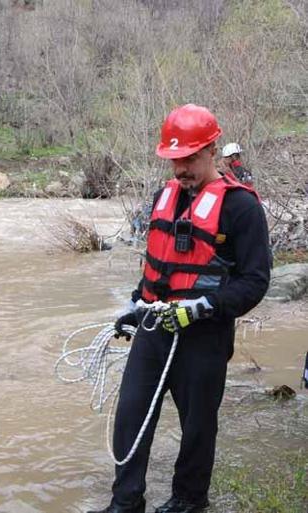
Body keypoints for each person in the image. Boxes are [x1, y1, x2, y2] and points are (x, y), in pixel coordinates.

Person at [89, 105, 270, 513]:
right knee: (131, 415)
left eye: (189, 158)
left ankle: (189, 500)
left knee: (197, 428)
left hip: (204, 337)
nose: (181, 169)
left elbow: (255, 281)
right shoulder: (163, 197)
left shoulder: (241, 208)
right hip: (155, 329)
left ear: (211, 151)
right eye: (175, 160)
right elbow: (160, 265)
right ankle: (126, 502)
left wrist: (202, 308)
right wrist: (137, 306)